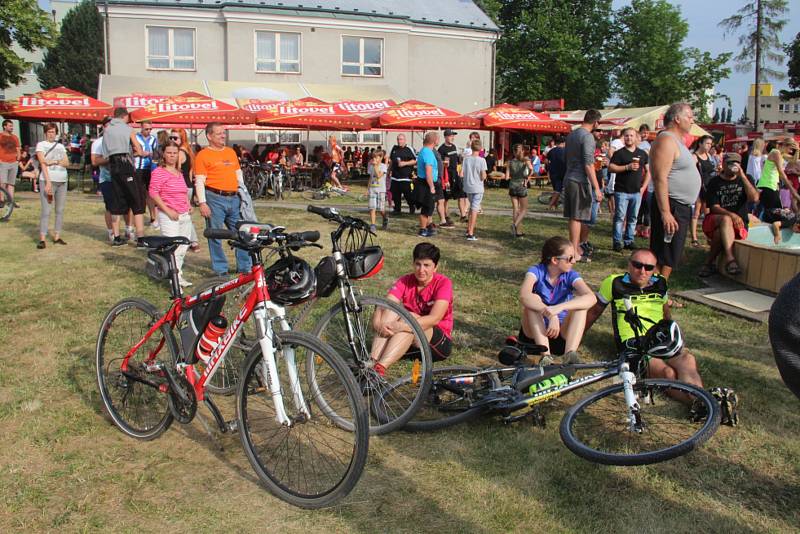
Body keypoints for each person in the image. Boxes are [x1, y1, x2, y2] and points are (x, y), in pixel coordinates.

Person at [585, 249, 703, 388]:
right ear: (629, 265)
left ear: (654, 269)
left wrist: (673, 336)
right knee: (667, 373)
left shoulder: (660, 282)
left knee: (688, 360)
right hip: (634, 342)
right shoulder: (614, 283)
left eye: (648, 268)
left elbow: (666, 313)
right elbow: (594, 312)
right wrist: (573, 341)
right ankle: (699, 402)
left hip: (659, 338)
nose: (642, 271)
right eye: (637, 265)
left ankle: (704, 401)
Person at [370, 242, 454, 374]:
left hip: (437, 343)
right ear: (413, 263)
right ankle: (371, 362)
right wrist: (377, 324)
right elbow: (385, 305)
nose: (421, 270)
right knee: (391, 309)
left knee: (409, 318)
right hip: (409, 336)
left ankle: (379, 369)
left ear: (435, 267)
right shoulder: (405, 280)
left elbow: (435, 319)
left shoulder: (443, 283)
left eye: (426, 265)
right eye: (418, 264)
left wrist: (402, 326)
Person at [518, 236, 596, 363]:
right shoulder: (536, 271)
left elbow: (591, 297)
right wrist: (549, 314)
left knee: (580, 306)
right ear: (555, 260)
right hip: (535, 334)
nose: (574, 261)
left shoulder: (570, 275)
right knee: (533, 299)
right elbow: (524, 295)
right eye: (570, 258)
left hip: (561, 334)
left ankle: (570, 355)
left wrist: (559, 308)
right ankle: (546, 357)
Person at [648, 102, 702, 279]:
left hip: (680, 206)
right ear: (677, 119)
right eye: (689, 116)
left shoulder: (678, 142)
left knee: (670, 256)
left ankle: (660, 293)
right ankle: (653, 294)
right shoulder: (666, 140)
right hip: (671, 205)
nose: (692, 120)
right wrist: (665, 212)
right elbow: (659, 177)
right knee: (662, 255)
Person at [194, 122, 252, 276]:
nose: (223, 135)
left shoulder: (231, 152)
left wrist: (242, 192)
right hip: (214, 199)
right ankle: (221, 270)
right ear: (209, 136)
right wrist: (202, 203)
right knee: (216, 236)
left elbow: (238, 174)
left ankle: (245, 268)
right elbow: (199, 180)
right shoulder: (203, 155)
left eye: (223, 132)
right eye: (219, 133)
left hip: (234, 199)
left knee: (242, 233)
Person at [698, 153, 760, 277]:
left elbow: (754, 198)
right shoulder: (715, 182)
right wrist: (732, 215)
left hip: (739, 223)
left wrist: (742, 176)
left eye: (736, 163)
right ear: (724, 164)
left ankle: (708, 264)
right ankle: (730, 259)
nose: (733, 166)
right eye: (730, 163)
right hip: (715, 219)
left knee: (719, 234)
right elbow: (714, 207)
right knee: (726, 219)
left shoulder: (746, 178)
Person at [149, 142, 193, 287]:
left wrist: (188, 205)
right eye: (169, 153)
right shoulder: (159, 172)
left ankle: (178, 274)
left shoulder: (179, 173)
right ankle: (172, 277)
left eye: (175, 153)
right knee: (172, 247)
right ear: (164, 154)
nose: (172, 156)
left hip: (184, 214)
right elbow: (153, 193)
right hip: (169, 215)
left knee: (182, 247)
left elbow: (183, 192)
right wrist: (167, 211)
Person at [563, 109, 603, 263]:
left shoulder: (572, 134)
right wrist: (597, 188)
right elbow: (588, 164)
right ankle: (574, 252)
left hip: (569, 178)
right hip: (579, 180)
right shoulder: (588, 137)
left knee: (575, 217)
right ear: (596, 122)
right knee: (577, 217)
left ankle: (574, 249)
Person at [102, 107, 146, 245]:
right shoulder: (127, 129)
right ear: (125, 116)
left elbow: (105, 154)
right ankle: (140, 237)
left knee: (116, 201)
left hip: (113, 168)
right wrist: (139, 152)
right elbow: (138, 148)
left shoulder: (107, 130)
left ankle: (116, 236)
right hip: (126, 164)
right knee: (136, 200)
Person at [608, 127, 650, 252]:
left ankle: (629, 241)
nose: (629, 138)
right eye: (626, 136)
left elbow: (649, 171)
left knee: (633, 218)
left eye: (631, 135)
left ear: (636, 137)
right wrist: (627, 167)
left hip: (636, 192)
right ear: (623, 137)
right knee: (620, 217)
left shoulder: (642, 154)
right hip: (621, 191)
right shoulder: (619, 153)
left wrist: (643, 187)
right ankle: (617, 241)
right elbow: (611, 167)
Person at [35, 123, 70, 249]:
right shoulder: (41, 145)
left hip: (62, 180)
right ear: (45, 133)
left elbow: (66, 162)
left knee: (59, 210)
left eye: (53, 132)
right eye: (49, 132)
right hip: (47, 179)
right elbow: (43, 162)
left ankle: (57, 235)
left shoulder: (60, 146)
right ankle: (42, 238)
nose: (51, 134)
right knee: (46, 210)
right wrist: (48, 182)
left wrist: (54, 161)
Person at [91, 116, 124, 245]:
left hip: (120, 178)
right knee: (110, 207)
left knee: (120, 206)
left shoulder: (120, 140)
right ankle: (111, 232)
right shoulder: (98, 143)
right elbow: (94, 161)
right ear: (104, 127)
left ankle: (119, 233)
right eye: (108, 126)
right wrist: (111, 158)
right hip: (106, 179)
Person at [169, 128, 200, 251]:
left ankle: (193, 242)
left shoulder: (180, 152)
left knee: (183, 216)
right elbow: (192, 173)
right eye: (170, 138)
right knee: (184, 215)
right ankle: (190, 242)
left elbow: (176, 171)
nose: (172, 140)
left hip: (182, 187)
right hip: (188, 186)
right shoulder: (188, 150)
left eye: (175, 138)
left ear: (182, 139)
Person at [689, 135, 716, 248]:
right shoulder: (694, 156)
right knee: (696, 213)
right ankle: (694, 238)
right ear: (700, 143)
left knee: (708, 214)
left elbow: (711, 170)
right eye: (707, 143)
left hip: (708, 187)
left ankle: (709, 236)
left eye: (710, 144)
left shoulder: (708, 155)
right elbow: (690, 172)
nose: (709, 146)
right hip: (698, 187)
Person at [133, 121, 159, 227]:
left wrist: (149, 154)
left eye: (150, 129)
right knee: (139, 194)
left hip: (150, 169)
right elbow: (132, 152)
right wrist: (140, 153)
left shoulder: (153, 139)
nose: (148, 131)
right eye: (146, 129)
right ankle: (139, 217)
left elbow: (156, 154)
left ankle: (154, 218)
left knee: (151, 194)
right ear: (141, 128)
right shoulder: (135, 138)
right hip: (138, 168)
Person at [461, 138, 487, 241]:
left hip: (468, 186)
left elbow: (461, 173)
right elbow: (483, 176)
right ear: (480, 148)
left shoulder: (466, 159)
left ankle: (468, 229)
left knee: (472, 207)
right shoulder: (482, 160)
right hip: (477, 187)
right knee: (475, 209)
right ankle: (471, 233)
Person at [439, 129, 467, 223]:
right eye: (451, 136)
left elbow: (456, 160)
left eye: (453, 136)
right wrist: (444, 164)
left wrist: (461, 159)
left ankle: (463, 216)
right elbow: (439, 163)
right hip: (447, 175)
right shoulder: (441, 149)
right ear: (446, 137)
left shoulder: (454, 147)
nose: (452, 138)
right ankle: (446, 216)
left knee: (461, 194)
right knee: (446, 197)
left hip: (455, 173)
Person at [415, 132, 439, 238]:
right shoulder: (428, 153)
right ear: (434, 141)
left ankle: (428, 226)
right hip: (426, 182)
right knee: (427, 207)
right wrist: (432, 186)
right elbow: (428, 171)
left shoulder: (424, 150)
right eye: (438, 139)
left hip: (424, 181)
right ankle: (423, 229)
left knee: (429, 207)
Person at [506, 143, 533, 237]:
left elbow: (506, 177)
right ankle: (515, 225)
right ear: (522, 151)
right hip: (521, 185)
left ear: (513, 151)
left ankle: (517, 232)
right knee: (524, 209)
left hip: (512, 185)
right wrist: (527, 177)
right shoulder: (526, 160)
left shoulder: (509, 162)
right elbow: (531, 169)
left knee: (515, 209)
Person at [389, 133, 417, 215]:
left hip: (405, 176)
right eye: (398, 139)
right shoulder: (394, 148)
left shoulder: (409, 149)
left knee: (407, 194)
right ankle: (397, 209)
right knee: (395, 194)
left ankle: (412, 207)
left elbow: (415, 161)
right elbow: (391, 161)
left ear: (405, 140)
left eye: (401, 139)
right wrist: (388, 171)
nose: (399, 141)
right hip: (395, 176)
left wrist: (404, 163)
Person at [0, 119, 21, 206]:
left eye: (12, 126)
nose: (12, 128)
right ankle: (1, 200)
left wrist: (18, 159)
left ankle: (10, 201)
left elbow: (18, 148)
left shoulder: (15, 137)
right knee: (3, 182)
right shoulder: (0, 136)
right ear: (5, 126)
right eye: (10, 126)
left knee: (11, 183)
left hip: (13, 162)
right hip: (3, 162)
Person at [367, 149, 388, 232]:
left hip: (381, 190)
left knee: (381, 209)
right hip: (372, 189)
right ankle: (373, 225)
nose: (374, 159)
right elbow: (370, 177)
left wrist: (375, 166)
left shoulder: (383, 166)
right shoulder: (371, 166)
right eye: (373, 157)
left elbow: (378, 175)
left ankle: (385, 218)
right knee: (372, 208)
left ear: (381, 157)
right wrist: (367, 189)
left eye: (376, 157)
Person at [546, 135, 566, 210]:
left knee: (556, 190)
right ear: (563, 143)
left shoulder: (551, 151)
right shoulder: (565, 151)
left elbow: (546, 161)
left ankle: (555, 206)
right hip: (561, 173)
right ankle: (550, 206)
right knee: (558, 190)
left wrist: (549, 168)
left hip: (552, 173)